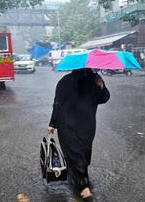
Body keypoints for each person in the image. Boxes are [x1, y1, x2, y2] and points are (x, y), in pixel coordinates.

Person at [47, 68, 110, 199]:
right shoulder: (94, 80)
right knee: (83, 152)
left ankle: (83, 185)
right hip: (88, 126)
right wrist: (101, 85)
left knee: (74, 153)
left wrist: (52, 123)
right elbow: (104, 98)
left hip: (67, 125)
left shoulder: (64, 81)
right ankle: (81, 181)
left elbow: (57, 103)